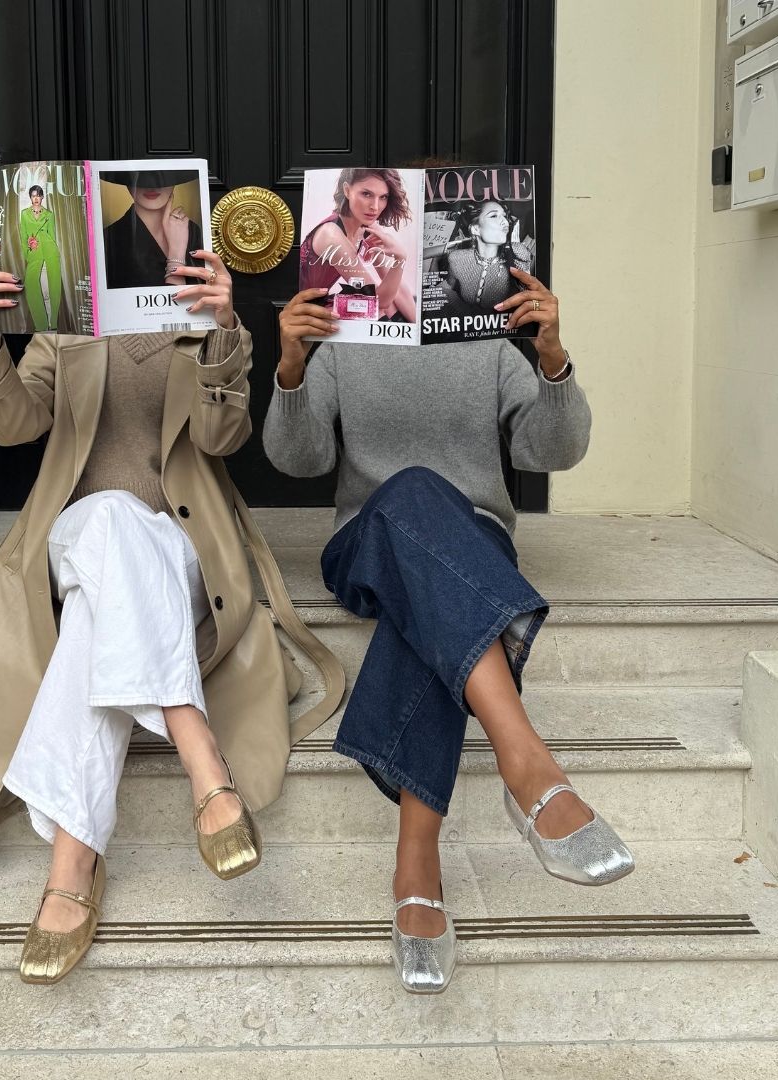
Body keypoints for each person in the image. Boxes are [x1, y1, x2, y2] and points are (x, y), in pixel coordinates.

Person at [0, 241, 342, 987]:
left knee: (105, 594)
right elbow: (10, 427)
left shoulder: (201, 326)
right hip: (79, 539)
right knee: (111, 517)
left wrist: (223, 328)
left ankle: (73, 863)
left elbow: (223, 439)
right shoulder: (69, 329)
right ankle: (202, 761)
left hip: (178, 553)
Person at [263, 267, 633, 996]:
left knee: (428, 616)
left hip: (471, 549)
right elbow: (296, 460)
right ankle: (526, 761)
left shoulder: (490, 342)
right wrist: (291, 366)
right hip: (365, 543)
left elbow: (551, 453)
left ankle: (416, 862)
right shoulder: (345, 336)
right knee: (412, 489)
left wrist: (552, 357)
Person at [300, 168, 417, 323]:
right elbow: (378, 303)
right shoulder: (331, 235)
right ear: (347, 190)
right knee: (378, 304)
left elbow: (396, 286)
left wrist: (418, 328)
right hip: (307, 310)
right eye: (366, 194)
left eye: (383, 197)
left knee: (387, 292)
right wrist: (400, 258)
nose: (375, 207)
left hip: (328, 302)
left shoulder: (367, 228)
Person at [101, 169, 205, 288]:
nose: (151, 187)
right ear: (127, 182)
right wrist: (176, 259)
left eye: (161, 176)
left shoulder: (193, 230)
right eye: (142, 178)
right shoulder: (108, 239)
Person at [433, 200, 536, 312]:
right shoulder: (457, 258)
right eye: (494, 216)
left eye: (504, 216)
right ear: (475, 229)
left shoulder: (517, 253)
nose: (505, 222)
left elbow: (528, 294)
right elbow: (447, 287)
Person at [19, 185, 62, 331]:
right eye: (33, 196)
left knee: (55, 284)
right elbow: (23, 235)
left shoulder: (49, 214)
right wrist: (28, 253)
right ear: (30, 197)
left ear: (42, 197)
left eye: (38, 195)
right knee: (30, 285)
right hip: (34, 250)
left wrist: (54, 250)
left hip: (50, 249)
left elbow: (53, 234)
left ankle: (55, 322)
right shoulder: (24, 214)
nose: (36, 198)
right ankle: (41, 324)